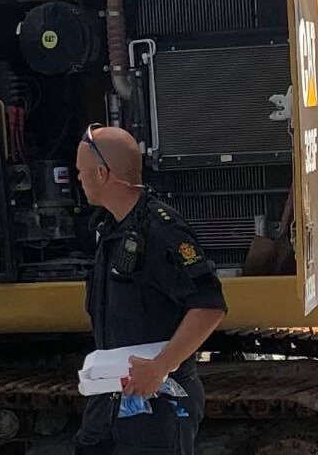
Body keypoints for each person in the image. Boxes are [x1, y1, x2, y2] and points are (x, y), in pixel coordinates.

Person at [74, 124, 228, 454]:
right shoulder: (110, 229)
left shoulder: (160, 230)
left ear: (102, 173)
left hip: (157, 402)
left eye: (81, 171)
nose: (78, 179)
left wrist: (160, 367)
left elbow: (208, 306)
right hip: (111, 401)